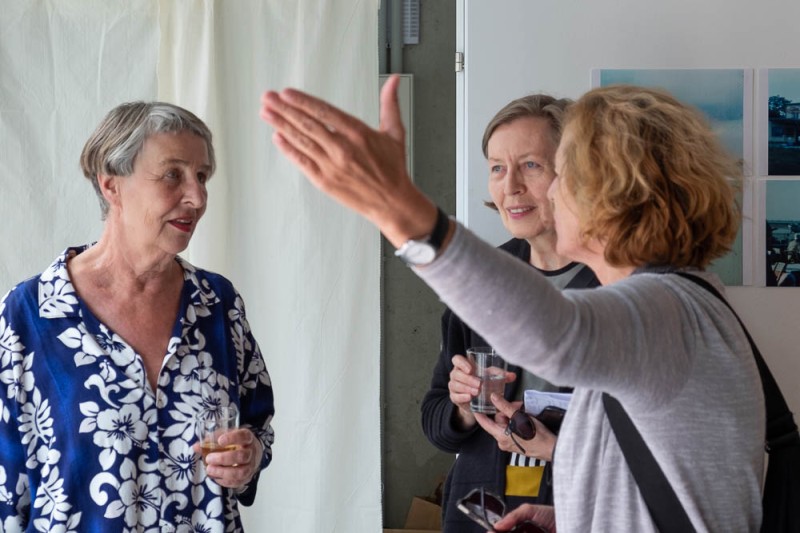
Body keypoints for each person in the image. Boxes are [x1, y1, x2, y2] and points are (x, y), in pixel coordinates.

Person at [260, 78, 764, 531]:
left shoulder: (664, 309)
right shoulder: (681, 300)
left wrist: (398, 208)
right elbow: (638, 470)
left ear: (613, 194)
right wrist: (570, 514)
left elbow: (555, 337)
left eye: (556, 172)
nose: (521, 190)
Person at [0, 102, 275, 532]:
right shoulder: (31, 315)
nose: (198, 197)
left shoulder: (217, 304)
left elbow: (258, 426)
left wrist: (249, 457)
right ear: (112, 186)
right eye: (173, 174)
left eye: (202, 176)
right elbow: (5, 483)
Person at [420, 95, 598, 533]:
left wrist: (557, 445)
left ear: (572, 173)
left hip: (581, 509)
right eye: (497, 168)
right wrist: (462, 407)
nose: (511, 186)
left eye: (531, 165)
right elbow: (435, 422)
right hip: (483, 513)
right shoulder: (482, 275)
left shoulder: (617, 282)